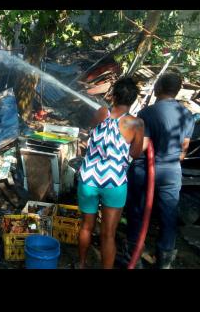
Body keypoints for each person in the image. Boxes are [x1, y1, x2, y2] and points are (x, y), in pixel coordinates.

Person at [122, 72, 195, 269]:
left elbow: (142, 148)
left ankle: (134, 256)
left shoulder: (148, 113)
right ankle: (165, 261)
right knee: (168, 214)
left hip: (145, 171)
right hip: (172, 172)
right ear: (177, 91)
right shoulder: (186, 114)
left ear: (158, 88)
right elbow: (183, 150)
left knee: (137, 211)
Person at [77, 77, 144, 269]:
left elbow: (92, 130)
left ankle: (81, 264)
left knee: (86, 227)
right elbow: (135, 153)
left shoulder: (101, 112)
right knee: (108, 234)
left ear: (113, 95)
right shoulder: (136, 124)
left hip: (89, 178)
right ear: (132, 100)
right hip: (114, 183)